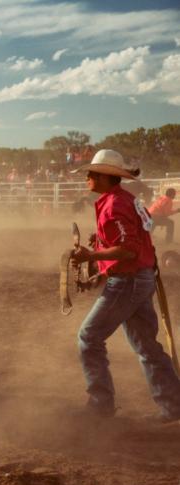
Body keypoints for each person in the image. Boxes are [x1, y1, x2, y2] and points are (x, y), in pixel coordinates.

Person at [71, 149, 180, 423]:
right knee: (146, 345)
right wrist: (99, 267)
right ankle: (173, 406)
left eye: (92, 174)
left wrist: (92, 256)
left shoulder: (114, 205)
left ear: (106, 177)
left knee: (89, 337)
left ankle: (101, 404)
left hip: (128, 279)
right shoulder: (128, 200)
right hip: (139, 278)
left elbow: (129, 249)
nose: (88, 177)